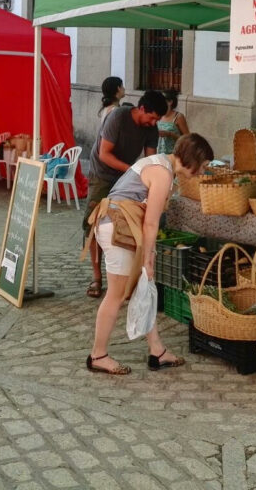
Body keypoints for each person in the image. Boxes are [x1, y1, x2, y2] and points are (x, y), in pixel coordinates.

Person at [87, 133, 214, 375]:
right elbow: (151, 223)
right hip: (118, 229)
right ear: (193, 159)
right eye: (203, 166)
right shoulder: (163, 173)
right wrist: (148, 258)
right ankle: (98, 355)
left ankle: (157, 351)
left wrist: (148, 256)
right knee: (116, 294)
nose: (201, 172)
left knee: (141, 288)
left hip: (118, 227)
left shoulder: (161, 164)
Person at [83, 90, 167, 298]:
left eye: (157, 119)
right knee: (95, 224)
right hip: (102, 174)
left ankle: (127, 276)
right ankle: (97, 277)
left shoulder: (151, 128)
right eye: (152, 117)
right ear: (141, 109)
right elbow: (104, 154)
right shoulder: (118, 116)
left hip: (126, 177)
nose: (153, 122)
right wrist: (132, 171)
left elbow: (151, 161)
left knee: (129, 223)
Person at [156, 89, 190, 154]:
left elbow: (188, 139)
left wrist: (170, 134)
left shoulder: (178, 117)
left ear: (170, 102)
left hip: (173, 155)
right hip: (158, 155)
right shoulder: (158, 116)